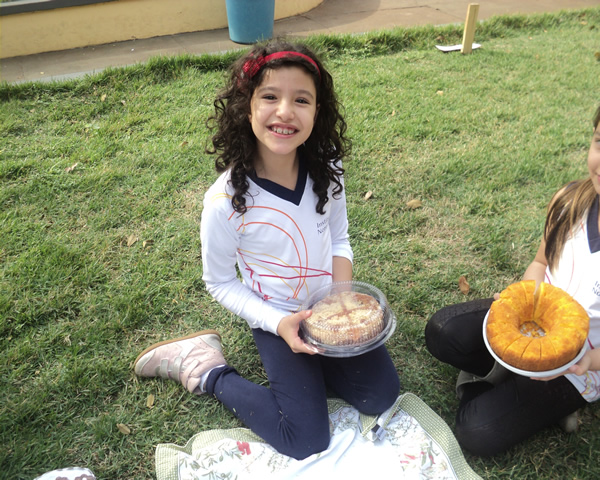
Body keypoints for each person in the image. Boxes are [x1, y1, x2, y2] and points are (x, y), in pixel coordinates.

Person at [133, 39, 400, 460]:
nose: (285, 112)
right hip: (277, 318)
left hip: (328, 315)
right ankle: (206, 367)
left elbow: (340, 238)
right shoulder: (226, 201)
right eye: (270, 97)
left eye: (302, 100)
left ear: (318, 111)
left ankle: (318, 366)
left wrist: (342, 304)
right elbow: (220, 282)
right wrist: (279, 323)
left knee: (381, 396)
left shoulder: (327, 166)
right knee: (306, 438)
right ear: (247, 107)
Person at [424, 104, 600, 457]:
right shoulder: (569, 202)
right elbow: (540, 262)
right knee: (442, 331)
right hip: (529, 324)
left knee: (477, 432)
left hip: (580, 363)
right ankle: (511, 375)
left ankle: (543, 397)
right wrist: (519, 299)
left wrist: (586, 363)